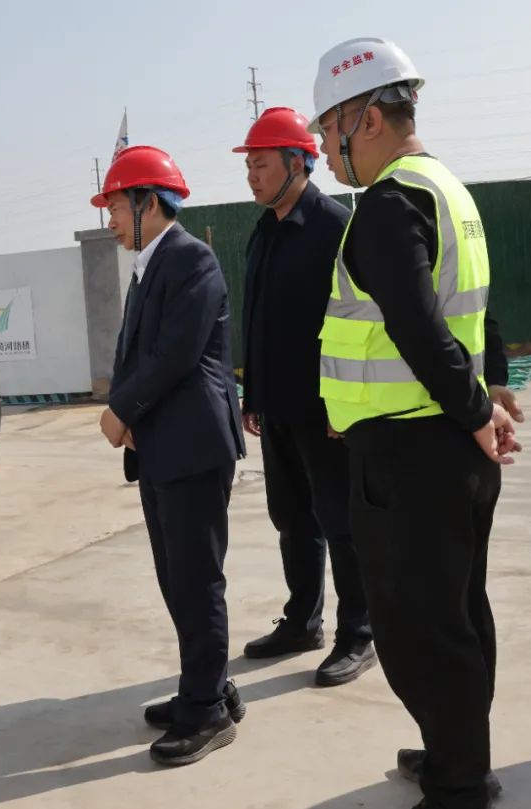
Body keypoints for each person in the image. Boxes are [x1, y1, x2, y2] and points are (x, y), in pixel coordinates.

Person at [310, 38, 521, 809]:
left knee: (418, 627)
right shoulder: (448, 190)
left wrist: (477, 409)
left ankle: (459, 784)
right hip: (448, 446)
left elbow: (417, 326)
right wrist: (489, 396)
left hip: (411, 453)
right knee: (457, 610)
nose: (323, 147)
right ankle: (454, 751)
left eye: (327, 126)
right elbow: (475, 310)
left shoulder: (388, 204)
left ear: (366, 119)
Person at [92, 145, 246, 766]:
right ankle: (205, 687)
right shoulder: (150, 265)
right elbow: (138, 351)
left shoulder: (190, 259)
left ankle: (207, 712)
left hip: (194, 446)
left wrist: (121, 409)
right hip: (164, 445)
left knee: (196, 578)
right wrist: (133, 416)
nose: (110, 221)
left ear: (148, 203)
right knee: (176, 577)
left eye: (115, 207)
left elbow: (175, 354)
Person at [234, 106, 375, 686]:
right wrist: (253, 394)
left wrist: (348, 406)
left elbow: (363, 321)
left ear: (298, 163)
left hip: (326, 412)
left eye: (261, 165)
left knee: (341, 522)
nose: (252, 177)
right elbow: (259, 317)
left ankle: (359, 633)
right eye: (249, 167)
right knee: (292, 519)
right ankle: (302, 622)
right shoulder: (264, 232)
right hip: (277, 406)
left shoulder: (335, 227)